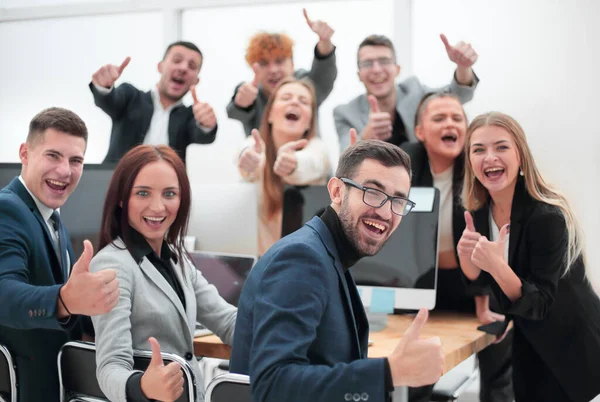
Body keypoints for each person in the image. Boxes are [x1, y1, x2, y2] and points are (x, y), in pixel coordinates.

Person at [231, 139, 445, 402]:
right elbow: (273, 385)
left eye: (398, 201)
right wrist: (390, 372)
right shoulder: (301, 259)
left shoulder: (328, 254)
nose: (386, 212)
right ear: (336, 191)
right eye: (373, 192)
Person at [458, 112, 600, 402]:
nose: (490, 157)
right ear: (470, 163)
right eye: (479, 150)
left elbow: (539, 302)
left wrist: (496, 265)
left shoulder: (547, 216)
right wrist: (467, 256)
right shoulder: (480, 214)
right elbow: (482, 280)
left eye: (501, 147)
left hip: (577, 346)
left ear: (520, 156)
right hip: (530, 345)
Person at [90, 144, 236, 402]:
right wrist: (142, 387)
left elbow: (226, 320)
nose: (158, 207)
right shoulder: (112, 266)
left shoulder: (175, 258)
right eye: (143, 193)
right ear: (123, 199)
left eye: (169, 193)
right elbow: (110, 366)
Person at [0, 107, 119, 402]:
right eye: (53, 155)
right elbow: (4, 295)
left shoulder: (51, 217)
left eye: (76, 160)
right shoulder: (8, 209)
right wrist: (65, 299)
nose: (65, 170)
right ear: (25, 154)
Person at [402, 93, 513, 402]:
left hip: (479, 281)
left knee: (498, 371)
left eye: (457, 118)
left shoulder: (479, 166)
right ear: (420, 131)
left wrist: (482, 300)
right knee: (416, 372)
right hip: (427, 283)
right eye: (439, 118)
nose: (450, 123)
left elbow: (488, 238)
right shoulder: (406, 162)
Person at [334, 34, 479, 151]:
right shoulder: (345, 113)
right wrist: (365, 138)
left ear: (397, 69)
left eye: (384, 61)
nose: (376, 69)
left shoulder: (415, 92)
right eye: (367, 63)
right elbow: (344, 158)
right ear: (359, 75)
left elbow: (458, 96)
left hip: (421, 182)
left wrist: (463, 67)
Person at [236, 77, 330, 254]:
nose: (294, 102)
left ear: (310, 121)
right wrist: (247, 160)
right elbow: (245, 154)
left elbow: (313, 163)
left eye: (303, 101)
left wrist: (292, 164)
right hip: (259, 262)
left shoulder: (318, 149)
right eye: (286, 98)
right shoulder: (255, 145)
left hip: (305, 259)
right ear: (269, 113)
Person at [90, 41, 218, 163]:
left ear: (196, 81)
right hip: (119, 183)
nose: (184, 68)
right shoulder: (131, 96)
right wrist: (103, 87)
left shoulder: (190, 115)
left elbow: (202, 135)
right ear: (160, 67)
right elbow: (109, 100)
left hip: (166, 183)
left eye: (192, 66)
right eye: (177, 60)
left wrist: (207, 125)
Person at [227, 8, 337, 137]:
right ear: (254, 68)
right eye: (264, 63)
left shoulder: (307, 85)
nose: (273, 70)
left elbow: (323, 73)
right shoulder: (251, 93)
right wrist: (242, 104)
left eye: (279, 61)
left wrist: (325, 42)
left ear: (292, 64)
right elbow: (234, 112)